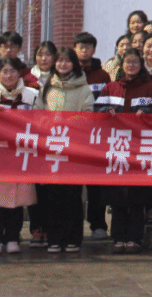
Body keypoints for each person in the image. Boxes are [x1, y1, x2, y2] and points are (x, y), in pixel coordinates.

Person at [95, 48, 152, 254]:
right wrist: (105, 112)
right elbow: (96, 109)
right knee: (117, 197)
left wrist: (147, 112)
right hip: (117, 147)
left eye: (135, 62)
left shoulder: (150, 89)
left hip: (140, 147)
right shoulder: (111, 88)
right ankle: (118, 237)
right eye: (128, 62)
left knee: (137, 196)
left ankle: (135, 238)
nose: (131, 65)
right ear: (122, 65)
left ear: (140, 65)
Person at [34, 47, 96, 253]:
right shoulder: (46, 88)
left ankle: (73, 238)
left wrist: (67, 122)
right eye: (59, 60)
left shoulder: (84, 89)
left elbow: (89, 115)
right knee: (52, 195)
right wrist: (49, 123)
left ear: (74, 64)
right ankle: (54, 238)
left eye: (67, 60)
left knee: (72, 196)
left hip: (74, 150)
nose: (63, 64)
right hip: (51, 149)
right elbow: (37, 114)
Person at [0, 57, 38, 255]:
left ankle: (13, 236)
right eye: (4, 71)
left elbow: (40, 122)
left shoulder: (31, 96)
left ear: (19, 73)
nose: (9, 75)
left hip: (20, 153)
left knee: (16, 199)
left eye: (13, 71)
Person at [72, 31, 112, 240]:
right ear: (75, 49)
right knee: (73, 183)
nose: (84, 50)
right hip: (73, 135)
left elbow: (107, 101)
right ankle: (73, 225)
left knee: (96, 183)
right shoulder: (68, 73)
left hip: (97, 136)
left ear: (94, 50)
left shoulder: (102, 75)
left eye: (88, 47)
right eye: (81, 47)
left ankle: (98, 224)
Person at [27, 41, 56, 248]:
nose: (43, 58)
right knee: (35, 186)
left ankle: (51, 227)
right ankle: (36, 228)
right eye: (40, 54)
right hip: (33, 138)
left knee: (52, 187)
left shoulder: (62, 78)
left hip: (56, 137)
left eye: (48, 55)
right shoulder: (27, 79)